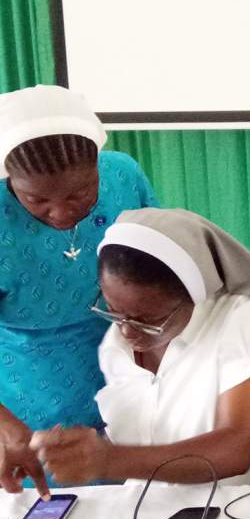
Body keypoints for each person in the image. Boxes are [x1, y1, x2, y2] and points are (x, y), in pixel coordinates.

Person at [28, 208, 250, 485]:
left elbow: (236, 447)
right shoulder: (115, 346)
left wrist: (108, 461)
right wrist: (67, 450)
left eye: (148, 320)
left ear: (195, 296)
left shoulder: (240, 318)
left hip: (241, 509)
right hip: (148, 510)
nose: (127, 330)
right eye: (113, 310)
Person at [0, 85, 157, 497]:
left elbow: (158, 258)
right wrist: (5, 424)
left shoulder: (123, 174)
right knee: (57, 496)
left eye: (80, 193)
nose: (62, 211)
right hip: (25, 381)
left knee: (138, 489)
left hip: (127, 351)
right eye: (37, 199)